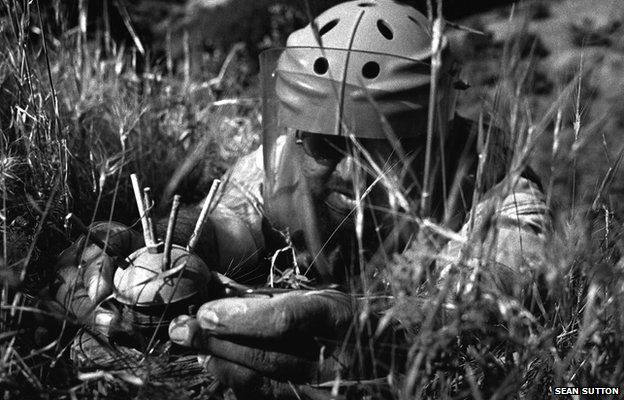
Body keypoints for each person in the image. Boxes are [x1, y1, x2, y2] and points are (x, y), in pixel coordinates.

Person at [52, 0, 550, 398]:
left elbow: (495, 295)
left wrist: (385, 334)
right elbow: (229, 223)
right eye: (329, 144)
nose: (353, 173)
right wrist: (161, 245)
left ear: (437, 132)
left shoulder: (497, 180)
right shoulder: (282, 157)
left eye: (384, 148)